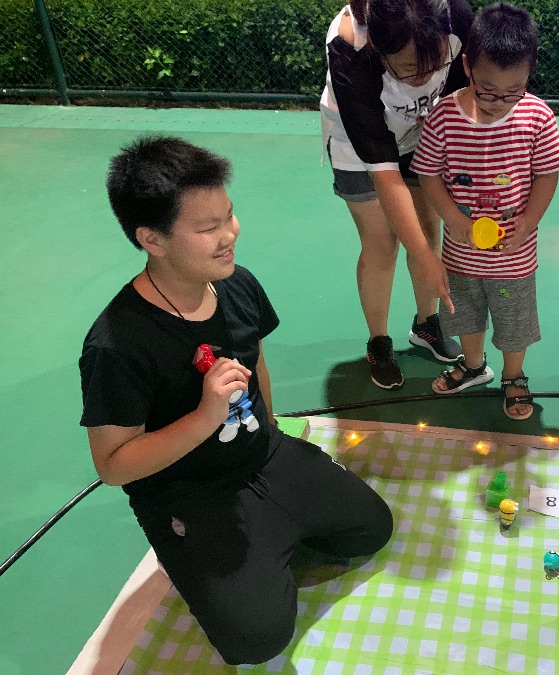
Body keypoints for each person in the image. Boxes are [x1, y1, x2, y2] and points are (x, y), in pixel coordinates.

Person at [79, 137, 394, 665]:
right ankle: (222, 559)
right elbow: (112, 465)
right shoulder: (117, 344)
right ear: (151, 239)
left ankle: (269, 541)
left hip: (260, 454)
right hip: (189, 491)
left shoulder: (235, 283)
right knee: (257, 639)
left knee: (372, 529)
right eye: (208, 228)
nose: (230, 235)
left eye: (228, 215)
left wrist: (273, 438)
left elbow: (256, 362)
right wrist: (206, 417)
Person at [411, 2, 559, 420]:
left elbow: (547, 175)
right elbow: (428, 174)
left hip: (514, 256)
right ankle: (474, 365)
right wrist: (453, 218)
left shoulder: (537, 117)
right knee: (465, 315)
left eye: (513, 90)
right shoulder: (444, 117)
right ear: (467, 66)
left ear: (529, 72)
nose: (499, 101)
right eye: (488, 89)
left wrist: (529, 222)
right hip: (460, 255)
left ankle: (514, 377)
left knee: (514, 321)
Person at [320, 0, 476, 389]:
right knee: (382, 243)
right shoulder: (350, 50)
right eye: (409, 68)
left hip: (420, 133)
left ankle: (426, 325)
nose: (425, 77)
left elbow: (464, 90)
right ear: (378, 46)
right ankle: (379, 342)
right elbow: (385, 174)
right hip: (357, 145)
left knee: (428, 229)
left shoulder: (456, 16)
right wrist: (424, 258)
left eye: (434, 62)